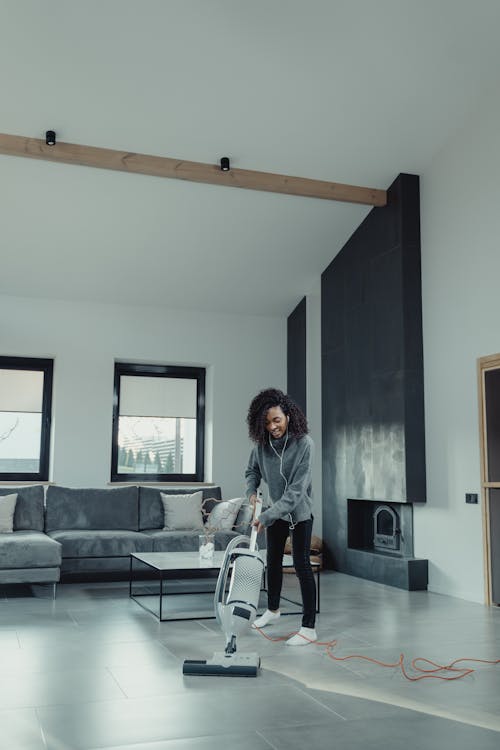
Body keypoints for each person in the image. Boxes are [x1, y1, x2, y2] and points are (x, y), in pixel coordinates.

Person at [245, 387, 317, 646]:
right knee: (272, 562)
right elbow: (251, 471)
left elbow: (297, 491)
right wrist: (251, 492)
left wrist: (266, 516)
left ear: (288, 415)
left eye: (276, 420)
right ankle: (273, 611)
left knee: (301, 566)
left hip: (299, 513)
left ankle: (309, 628)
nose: (272, 426)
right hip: (275, 512)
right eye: (266, 423)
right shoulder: (261, 445)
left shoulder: (304, 444)